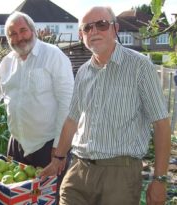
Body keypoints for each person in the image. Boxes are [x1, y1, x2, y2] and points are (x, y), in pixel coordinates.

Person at [40, 6, 171, 205]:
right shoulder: (84, 71)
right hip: (78, 170)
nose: (94, 31)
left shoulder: (139, 66)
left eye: (101, 24)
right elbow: (72, 119)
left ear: (115, 28)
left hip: (119, 176)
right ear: (81, 35)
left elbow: (161, 124)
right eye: (87, 28)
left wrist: (159, 179)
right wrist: (58, 159)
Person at [0, 11, 74, 202]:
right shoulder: (7, 62)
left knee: (47, 199)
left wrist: (59, 150)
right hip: (17, 146)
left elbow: (67, 103)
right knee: (16, 199)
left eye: (23, 30)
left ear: (32, 30)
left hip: (47, 146)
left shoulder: (53, 56)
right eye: (12, 33)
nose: (19, 37)